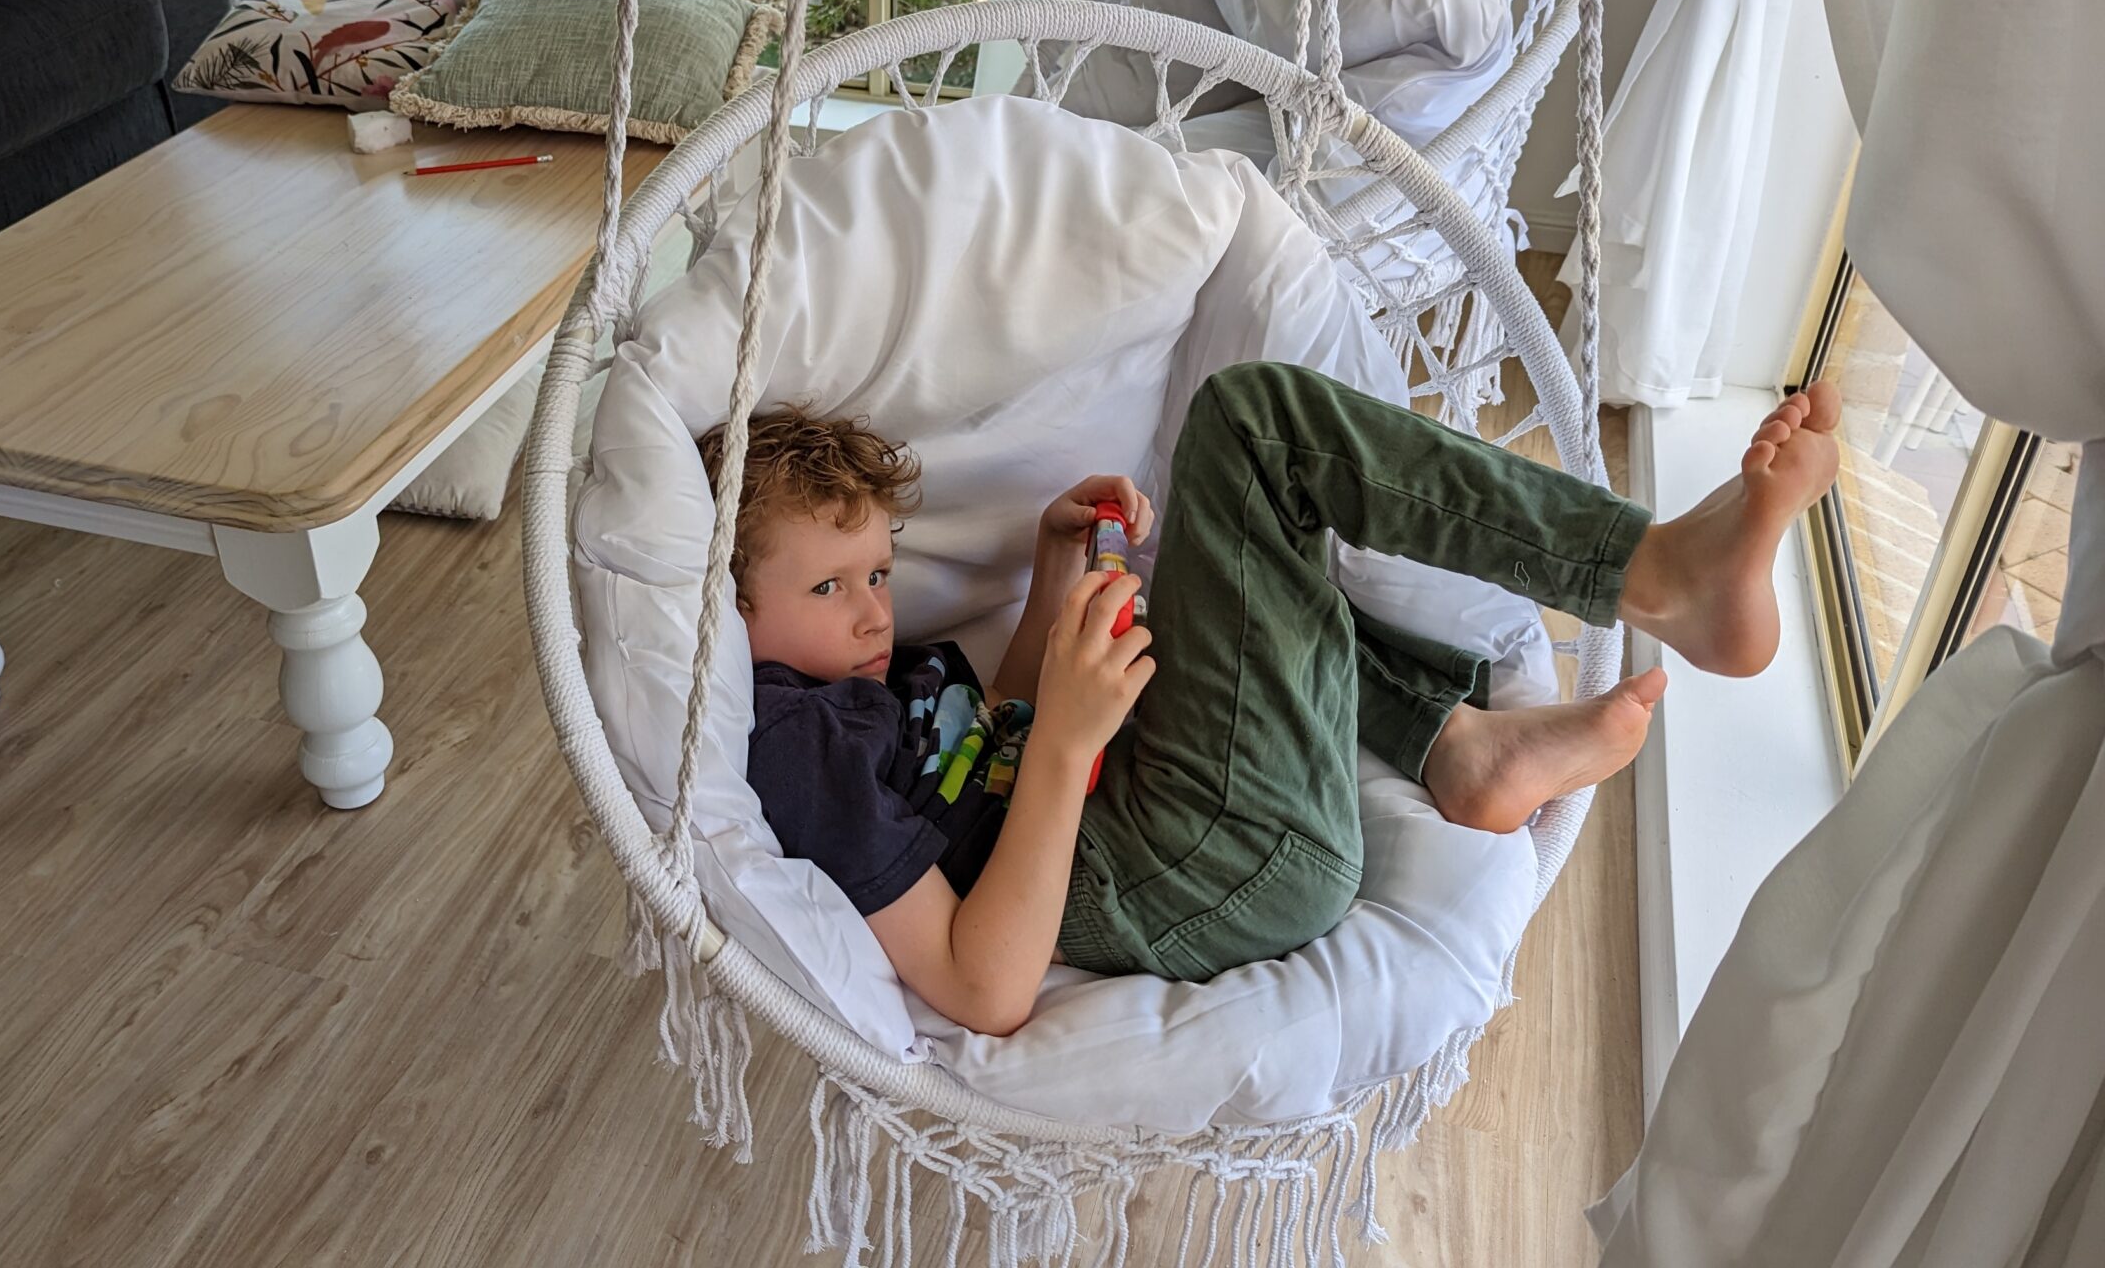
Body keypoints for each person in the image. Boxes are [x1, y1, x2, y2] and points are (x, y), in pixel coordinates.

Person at [705, 362, 1841, 1036]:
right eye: (825, 586)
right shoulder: (795, 743)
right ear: (727, 606)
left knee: (1252, 586)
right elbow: (982, 984)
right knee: (1254, 428)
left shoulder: (868, 680)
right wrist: (1064, 750)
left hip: (1144, 817)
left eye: (878, 575)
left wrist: (1054, 565)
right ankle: (1642, 573)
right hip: (1185, 865)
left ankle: (1454, 747)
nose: (869, 614)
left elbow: (990, 731)